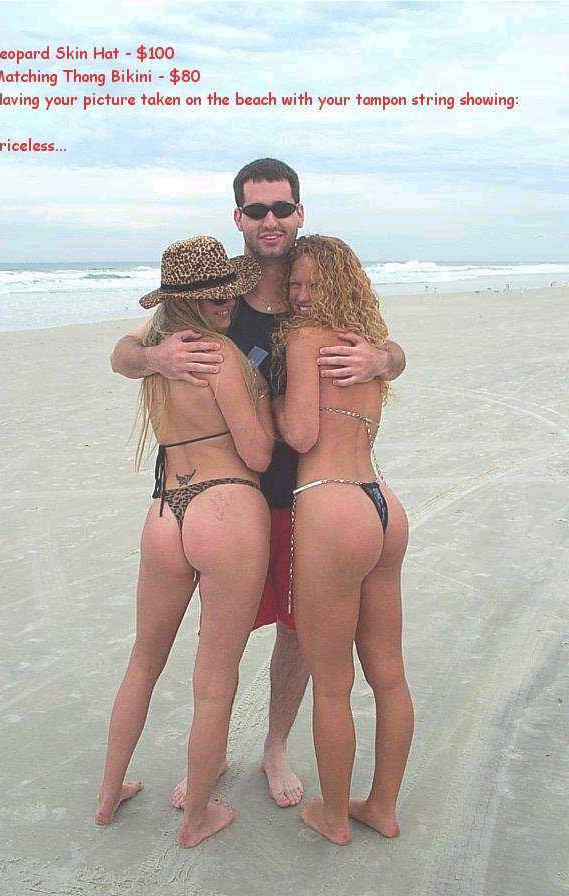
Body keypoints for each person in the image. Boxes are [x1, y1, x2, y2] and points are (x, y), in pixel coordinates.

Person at [110, 159, 406, 808]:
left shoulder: (316, 282)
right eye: (256, 209)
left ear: (299, 212)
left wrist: (383, 357)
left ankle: (275, 746)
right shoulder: (216, 292)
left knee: (298, 635)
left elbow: (391, 348)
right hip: (230, 502)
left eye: (281, 208)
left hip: (305, 496)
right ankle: (209, 755)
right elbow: (123, 354)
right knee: (223, 634)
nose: (270, 220)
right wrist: (157, 356)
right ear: (238, 218)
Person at [95, 236, 274, 849]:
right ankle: (197, 816)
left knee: (143, 661)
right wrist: (264, 398)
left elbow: (122, 355)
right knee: (214, 678)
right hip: (226, 504)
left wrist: (150, 357)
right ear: (189, 299)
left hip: (166, 510)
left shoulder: (160, 352)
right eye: (213, 294)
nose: (227, 302)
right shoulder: (220, 356)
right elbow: (257, 453)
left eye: (228, 291)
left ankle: (108, 794)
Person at [271, 235, 413, 846]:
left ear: (337, 284)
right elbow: (392, 363)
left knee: (332, 683)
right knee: (390, 674)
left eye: (312, 284)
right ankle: (381, 806)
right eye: (294, 285)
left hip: (330, 503)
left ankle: (332, 815)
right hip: (380, 503)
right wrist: (387, 357)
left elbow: (302, 434)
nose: (301, 296)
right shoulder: (369, 344)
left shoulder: (305, 339)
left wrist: (270, 399)